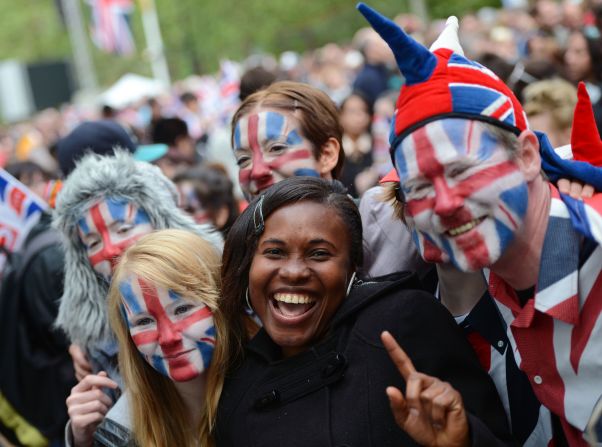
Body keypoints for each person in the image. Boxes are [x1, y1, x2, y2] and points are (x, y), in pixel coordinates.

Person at [357, 3, 602, 444]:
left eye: (461, 170)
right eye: (420, 188)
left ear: (528, 156)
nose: (446, 203)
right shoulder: (489, 287)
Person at [215, 177, 513, 446]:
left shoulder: (402, 322)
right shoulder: (237, 382)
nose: (293, 272)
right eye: (274, 252)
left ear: (352, 268)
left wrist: (463, 441)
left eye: (319, 253)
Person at [53, 150, 222, 445]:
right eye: (92, 242)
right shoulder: (96, 345)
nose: (109, 250)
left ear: (161, 220)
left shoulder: (227, 294)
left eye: (124, 228)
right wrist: (83, 438)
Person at [74, 229, 228, 447]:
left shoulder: (270, 392)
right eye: (144, 322)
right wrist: (82, 442)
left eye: (182, 308)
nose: (168, 338)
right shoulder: (122, 432)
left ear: (220, 304)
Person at [231, 81, 344, 200]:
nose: (257, 172)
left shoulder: (364, 217)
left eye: (276, 148)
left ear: (326, 155)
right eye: (243, 160)